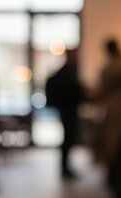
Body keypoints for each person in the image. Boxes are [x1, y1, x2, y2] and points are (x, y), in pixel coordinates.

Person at [45, 49, 83, 178]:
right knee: (68, 139)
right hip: (67, 110)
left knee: (68, 138)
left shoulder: (68, 71)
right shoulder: (67, 72)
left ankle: (66, 168)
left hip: (67, 109)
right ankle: (65, 169)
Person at [98, 38, 121, 163]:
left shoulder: (109, 69)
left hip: (113, 107)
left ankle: (114, 169)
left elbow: (102, 89)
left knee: (113, 140)